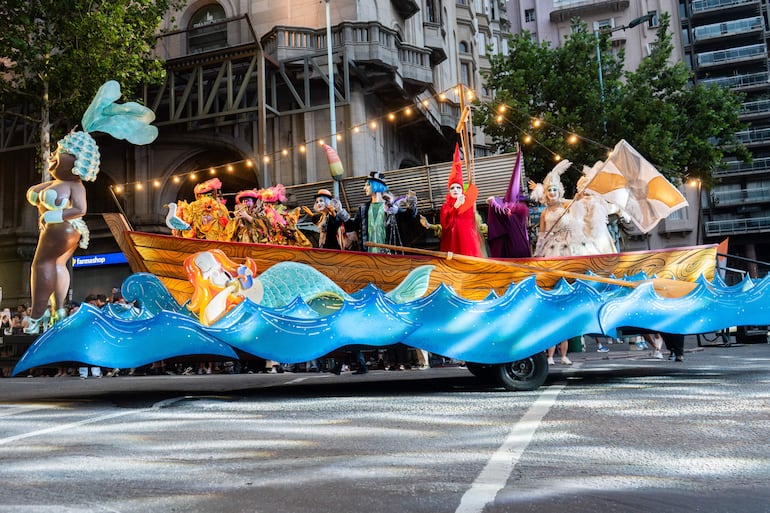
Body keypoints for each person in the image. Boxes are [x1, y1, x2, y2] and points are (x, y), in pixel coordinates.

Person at [24, 80, 158, 334]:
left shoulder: (75, 185)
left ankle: (35, 316)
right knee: (57, 265)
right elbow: (34, 193)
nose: (53, 155)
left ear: (75, 161)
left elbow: (80, 209)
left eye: (59, 151)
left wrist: (53, 212)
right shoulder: (60, 182)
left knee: (40, 265)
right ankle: (58, 310)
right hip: (64, 230)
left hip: (60, 227)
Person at [440, 144, 482, 257]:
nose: (455, 190)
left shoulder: (468, 204)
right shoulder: (445, 207)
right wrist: (454, 208)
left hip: (468, 245)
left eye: (458, 187)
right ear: (449, 190)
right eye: (452, 188)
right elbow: (446, 225)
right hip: (451, 245)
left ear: (462, 189)